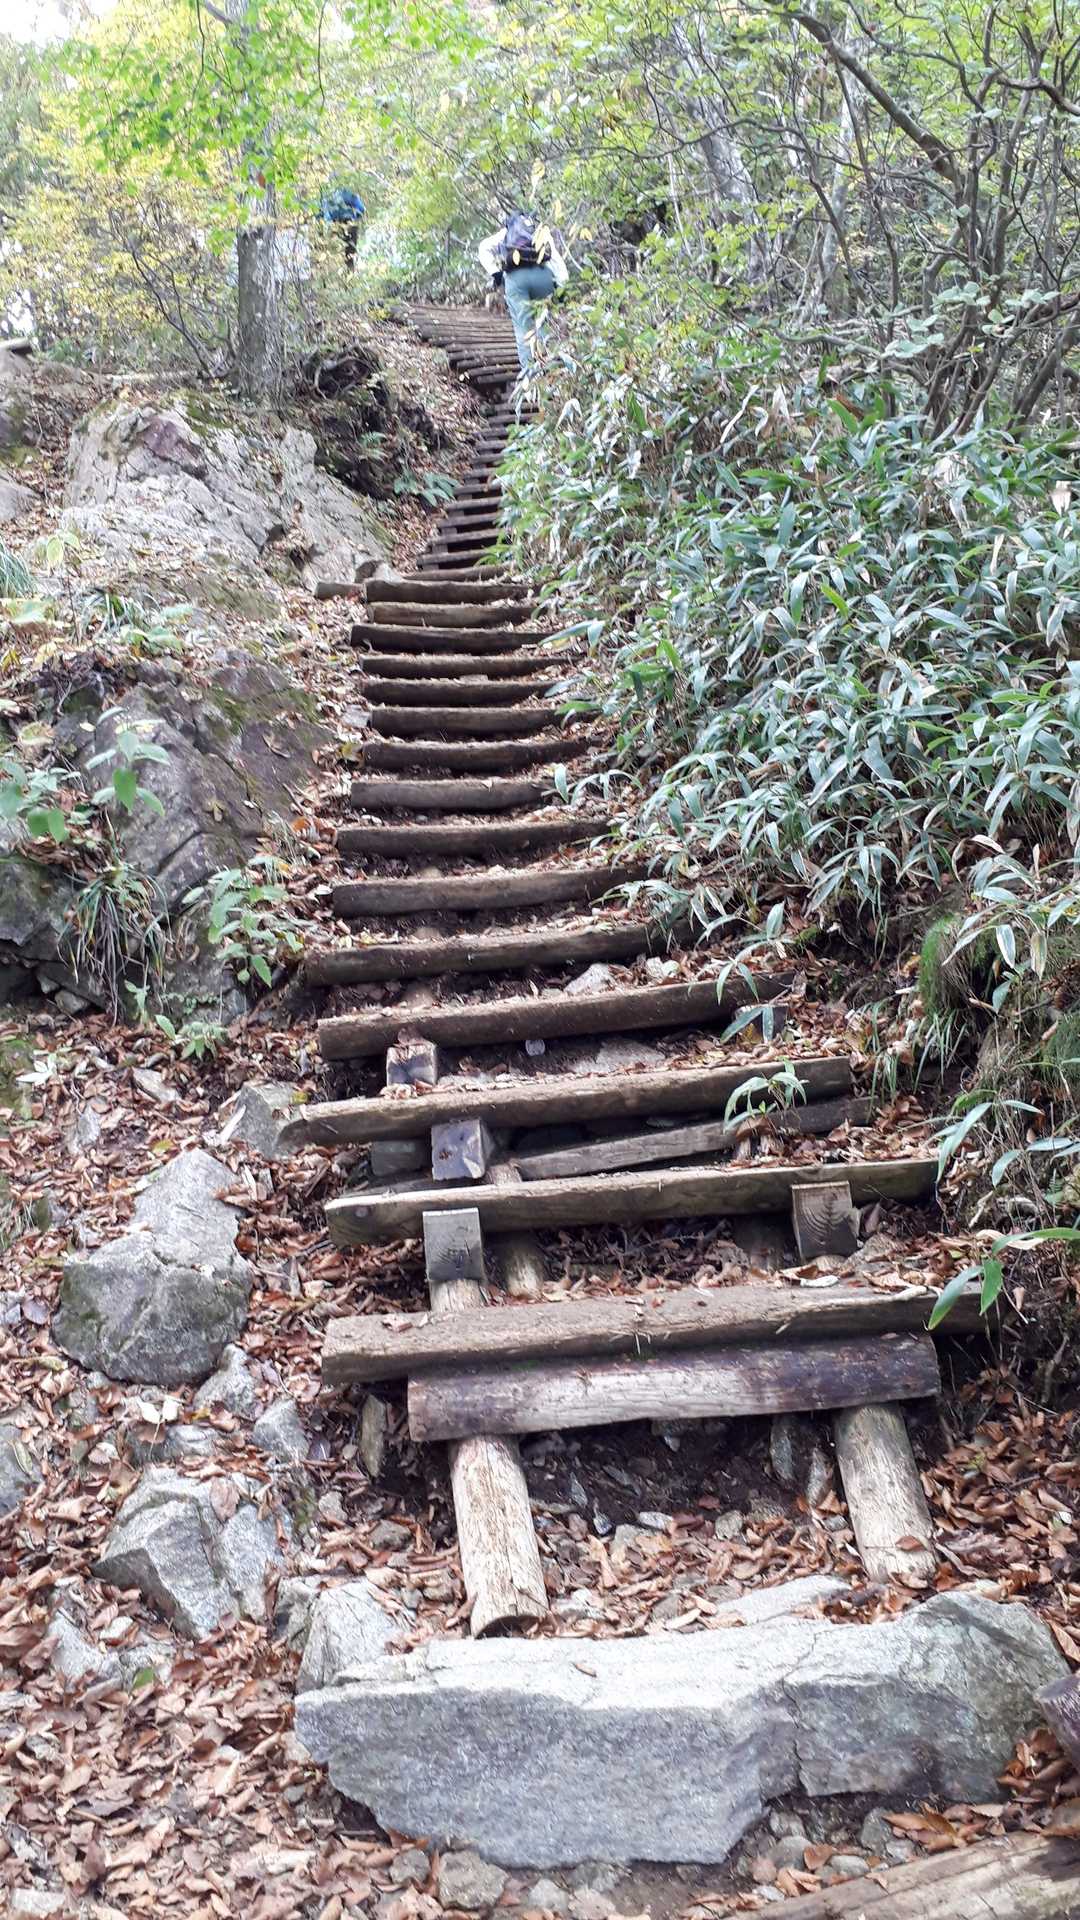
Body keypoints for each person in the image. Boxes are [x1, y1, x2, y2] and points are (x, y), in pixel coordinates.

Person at [478, 212, 569, 372]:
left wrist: (496, 273)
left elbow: (484, 247)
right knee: (545, 325)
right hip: (543, 276)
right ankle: (551, 372)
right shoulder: (539, 232)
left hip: (516, 279)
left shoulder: (507, 232)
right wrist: (561, 290)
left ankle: (530, 374)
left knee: (523, 329)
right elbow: (558, 263)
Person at [321, 186, 365, 270]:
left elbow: (322, 213)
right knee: (350, 246)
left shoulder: (328, 198)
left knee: (337, 247)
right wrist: (357, 215)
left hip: (335, 224)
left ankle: (341, 267)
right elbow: (361, 209)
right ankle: (349, 267)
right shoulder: (349, 196)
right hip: (348, 223)